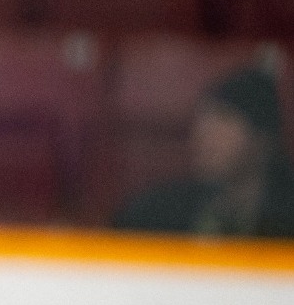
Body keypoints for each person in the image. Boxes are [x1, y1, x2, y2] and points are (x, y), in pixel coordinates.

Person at [114, 66, 294, 238]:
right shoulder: (154, 213)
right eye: (202, 120)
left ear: (262, 139)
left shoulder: (285, 220)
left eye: (223, 119)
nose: (203, 134)